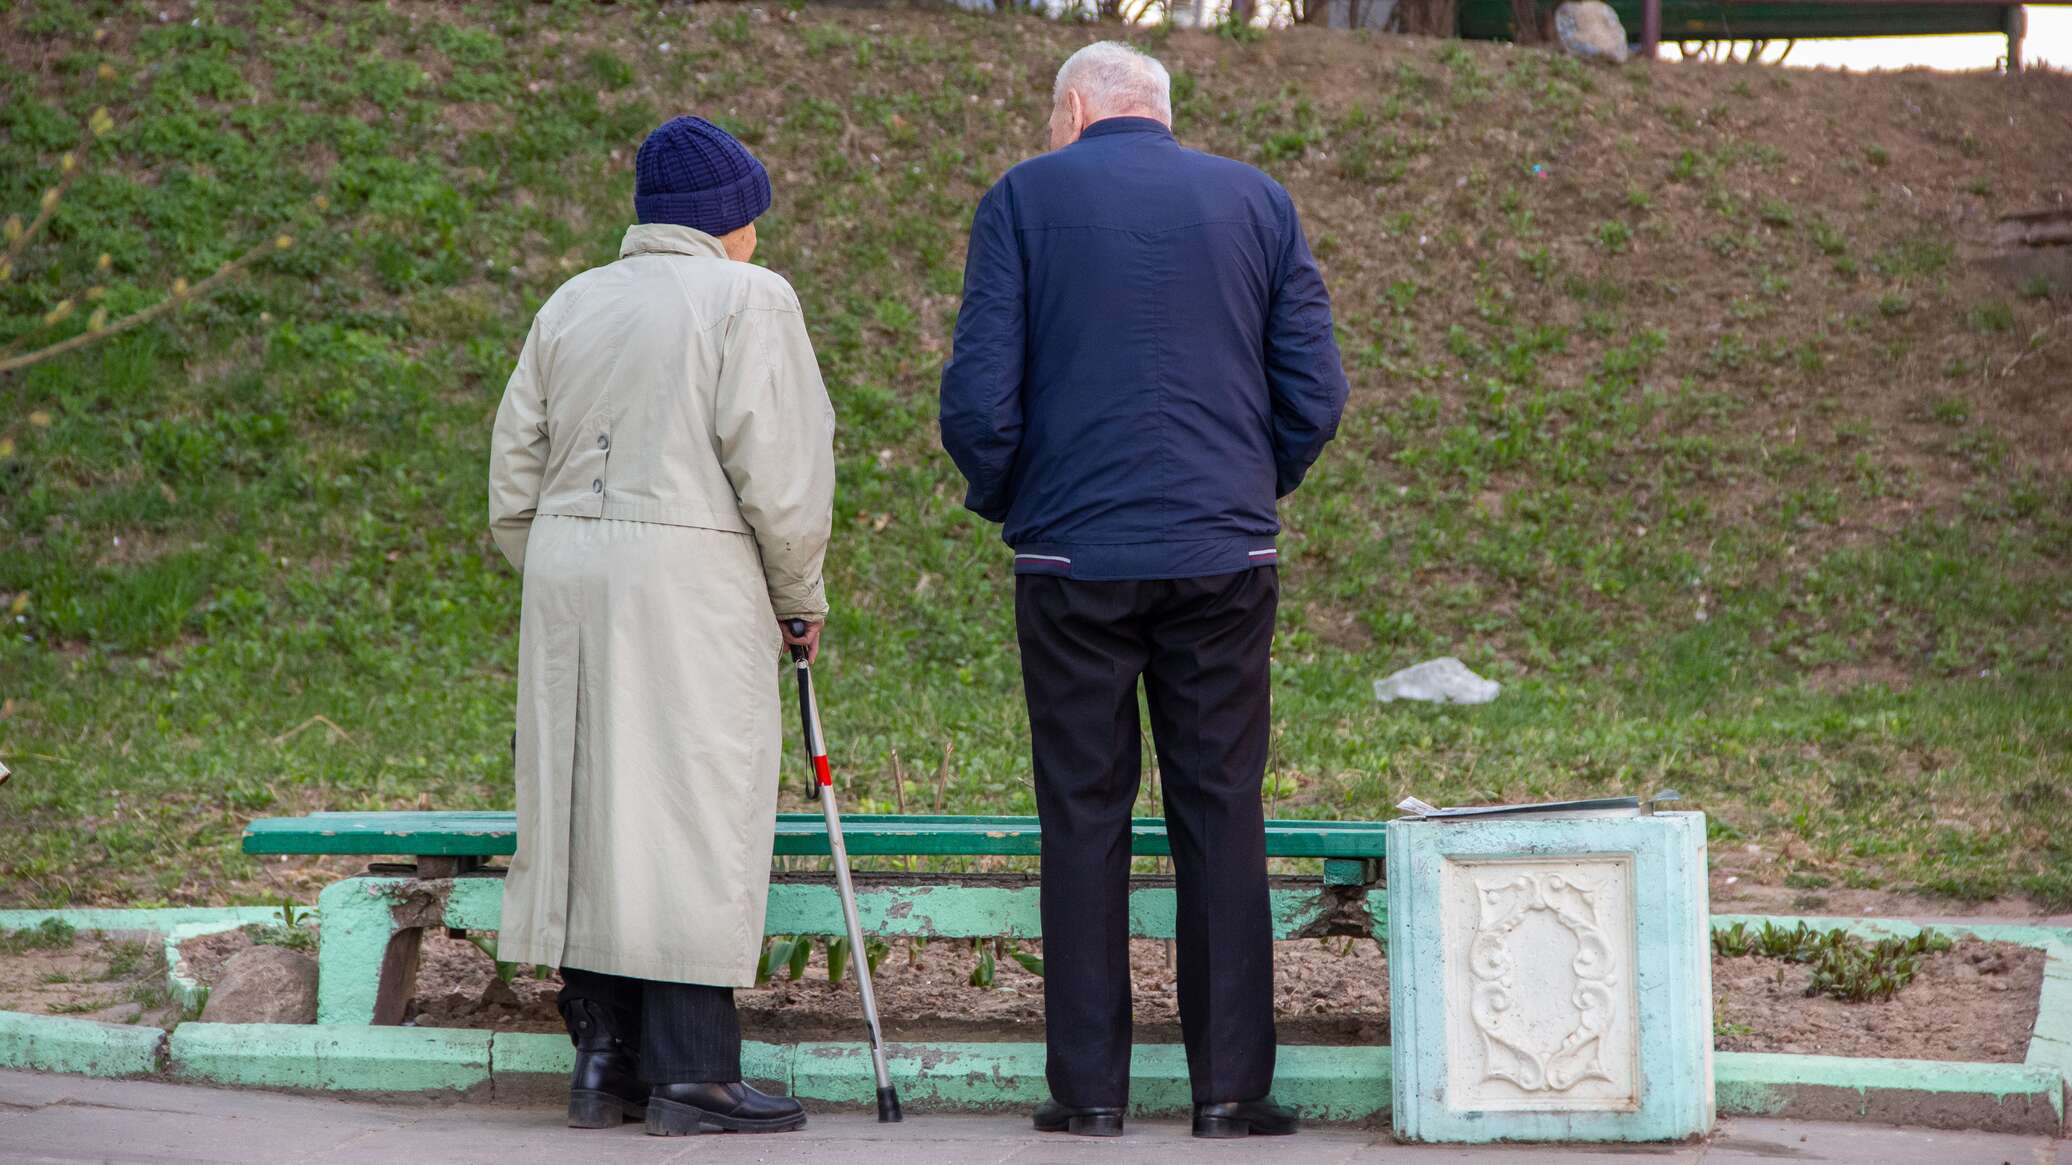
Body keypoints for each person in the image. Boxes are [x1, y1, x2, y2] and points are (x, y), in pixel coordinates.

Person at [938, 41, 1349, 1141]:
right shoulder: (1256, 200)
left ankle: (1088, 1094)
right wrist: (1252, 487)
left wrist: (1014, 500)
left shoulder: (1022, 199)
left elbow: (979, 398)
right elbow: (1314, 389)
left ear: (1074, 109)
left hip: (1072, 560)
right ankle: (1226, 1091)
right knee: (1221, 806)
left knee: (1081, 811)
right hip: (1222, 558)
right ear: (1158, 111)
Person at [487, 115, 835, 1138]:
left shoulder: (572, 301)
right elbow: (780, 475)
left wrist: (565, 562)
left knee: (587, 803)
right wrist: (797, 597)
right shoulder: (748, 300)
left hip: (565, 573)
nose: (759, 237)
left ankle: (603, 1058)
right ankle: (694, 1072)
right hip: (690, 579)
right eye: (753, 218)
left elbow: (513, 480)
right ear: (727, 220)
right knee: (688, 806)